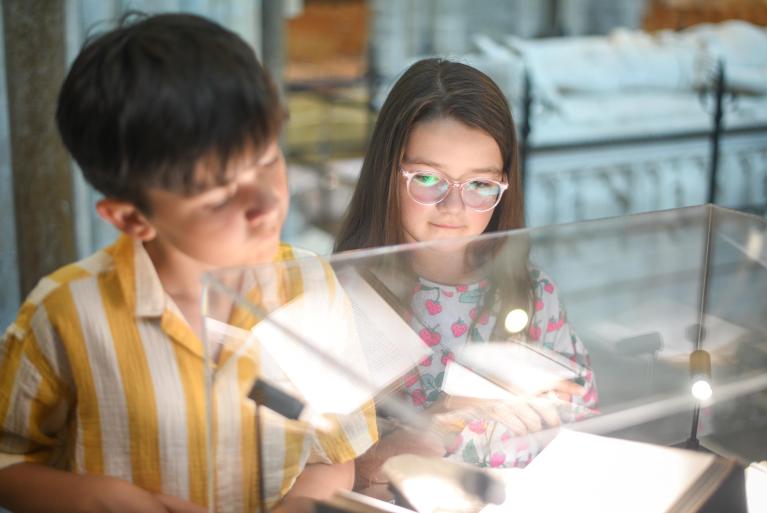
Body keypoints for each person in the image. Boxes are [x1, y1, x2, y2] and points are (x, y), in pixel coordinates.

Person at [0, 13, 375, 513]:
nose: (267, 204)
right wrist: (90, 499)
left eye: (267, 160)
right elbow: (9, 458)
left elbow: (333, 454)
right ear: (132, 218)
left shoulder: (312, 287)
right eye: (220, 196)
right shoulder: (67, 314)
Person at [333, 58, 598, 489]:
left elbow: (582, 429)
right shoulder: (342, 300)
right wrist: (442, 417)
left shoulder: (533, 292)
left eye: (479, 185)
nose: (453, 208)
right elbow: (339, 477)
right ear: (386, 173)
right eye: (427, 178)